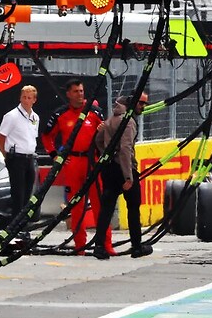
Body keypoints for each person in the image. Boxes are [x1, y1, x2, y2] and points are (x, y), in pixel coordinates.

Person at [40, 79, 111, 255]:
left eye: (81, 91)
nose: (80, 94)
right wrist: (55, 156)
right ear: (68, 94)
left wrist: (103, 131)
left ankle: (105, 244)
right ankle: (80, 246)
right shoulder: (60, 115)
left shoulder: (94, 112)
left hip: (92, 162)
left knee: (99, 204)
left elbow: (107, 135)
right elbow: (47, 137)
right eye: (76, 91)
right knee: (76, 205)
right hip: (72, 162)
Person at [92, 92, 152, 259]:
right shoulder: (129, 122)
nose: (143, 107)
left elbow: (98, 140)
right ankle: (137, 246)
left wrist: (106, 153)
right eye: (141, 104)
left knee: (107, 208)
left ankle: (99, 247)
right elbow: (126, 149)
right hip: (124, 169)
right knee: (133, 207)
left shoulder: (111, 119)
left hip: (109, 168)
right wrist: (128, 177)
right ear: (133, 103)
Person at [0, 84, 39, 223]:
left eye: (29, 98)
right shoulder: (12, 116)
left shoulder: (35, 117)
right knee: (18, 194)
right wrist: (6, 155)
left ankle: (23, 224)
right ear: (20, 98)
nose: (26, 100)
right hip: (16, 158)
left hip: (29, 157)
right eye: (24, 97)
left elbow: (33, 137)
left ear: (34, 100)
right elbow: (1, 137)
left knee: (27, 194)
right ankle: (15, 225)